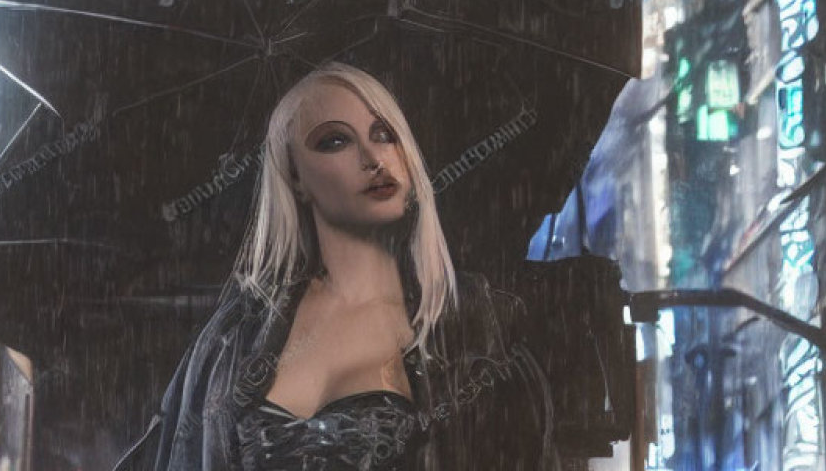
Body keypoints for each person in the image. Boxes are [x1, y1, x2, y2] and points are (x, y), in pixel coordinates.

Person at [115, 61, 559, 470]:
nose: (373, 159)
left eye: (384, 134)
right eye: (335, 141)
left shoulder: (470, 324)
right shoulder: (237, 334)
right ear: (295, 177)